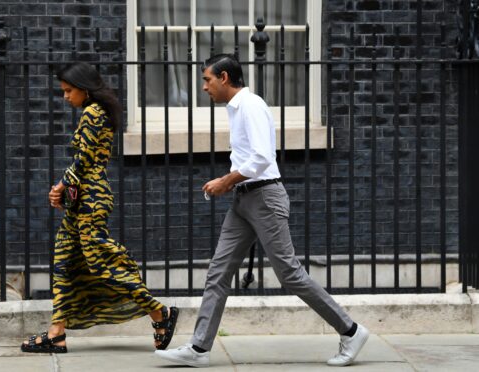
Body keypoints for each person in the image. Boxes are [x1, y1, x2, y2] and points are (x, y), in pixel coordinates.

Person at [154, 54, 369, 367]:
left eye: (207, 79)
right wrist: (232, 185)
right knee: (219, 271)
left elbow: (261, 158)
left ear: (224, 77)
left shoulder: (251, 105)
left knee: (290, 274)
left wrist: (225, 182)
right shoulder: (236, 108)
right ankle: (199, 349)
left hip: (264, 198)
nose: (204, 87)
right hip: (244, 201)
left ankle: (350, 330)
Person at [21, 62, 178, 353]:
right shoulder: (95, 113)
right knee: (64, 260)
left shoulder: (93, 113)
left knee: (101, 262)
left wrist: (60, 187)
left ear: (84, 88)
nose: (66, 96)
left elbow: (83, 162)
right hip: (83, 196)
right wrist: (66, 192)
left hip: (91, 198)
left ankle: (159, 312)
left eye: (69, 91)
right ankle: (57, 333)